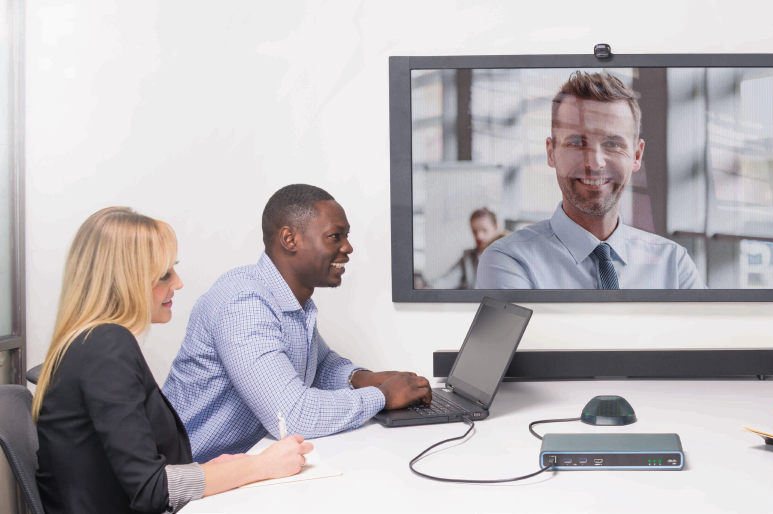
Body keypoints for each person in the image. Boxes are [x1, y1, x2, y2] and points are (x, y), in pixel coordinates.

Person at [34, 207, 313, 514]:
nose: (178, 283)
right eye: (165, 274)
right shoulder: (106, 345)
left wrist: (216, 469)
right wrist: (261, 466)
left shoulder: (85, 344)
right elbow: (151, 489)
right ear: (126, 279)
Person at [163, 184, 433, 463]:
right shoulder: (243, 303)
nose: (348, 247)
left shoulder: (291, 303)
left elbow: (321, 365)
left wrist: (361, 379)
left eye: (347, 236)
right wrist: (381, 396)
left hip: (244, 467)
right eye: (335, 236)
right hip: (190, 485)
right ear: (289, 239)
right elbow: (293, 416)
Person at [476, 71, 704, 290]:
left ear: (636, 156)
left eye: (613, 144)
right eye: (576, 143)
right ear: (551, 152)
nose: (595, 163)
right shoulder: (510, 260)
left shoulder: (674, 264)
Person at [427, 207, 508, 289]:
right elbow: (449, 279)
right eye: (474, 231)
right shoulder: (468, 257)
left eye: (484, 230)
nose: (479, 236)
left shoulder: (508, 255)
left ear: (496, 228)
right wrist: (429, 289)